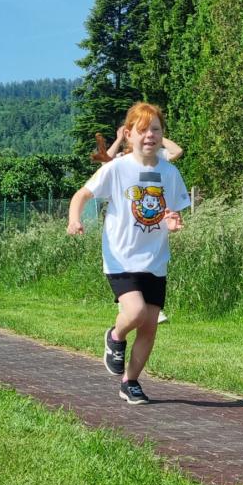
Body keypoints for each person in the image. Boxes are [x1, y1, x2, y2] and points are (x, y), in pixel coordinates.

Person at [67, 101, 189, 405]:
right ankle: (115, 336)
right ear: (129, 134)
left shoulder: (170, 172)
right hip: (121, 256)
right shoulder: (117, 168)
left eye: (156, 129)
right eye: (143, 129)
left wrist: (172, 222)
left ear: (162, 134)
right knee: (135, 312)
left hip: (155, 260)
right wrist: (74, 219)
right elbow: (81, 195)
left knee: (149, 325)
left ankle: (130, 382)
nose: (150, 135)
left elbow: (170, 212)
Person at [96, 125, 184, 325]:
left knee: (149, 264)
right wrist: (119, 138)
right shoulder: (121, 160)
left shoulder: (157, 156)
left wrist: (156, 136)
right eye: (140, 131)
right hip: (129, 222)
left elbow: (177, 151)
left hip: (152, 221)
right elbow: (104, 162)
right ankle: (129, 306)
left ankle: (146, 308)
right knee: (128, 265)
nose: (146, 135)